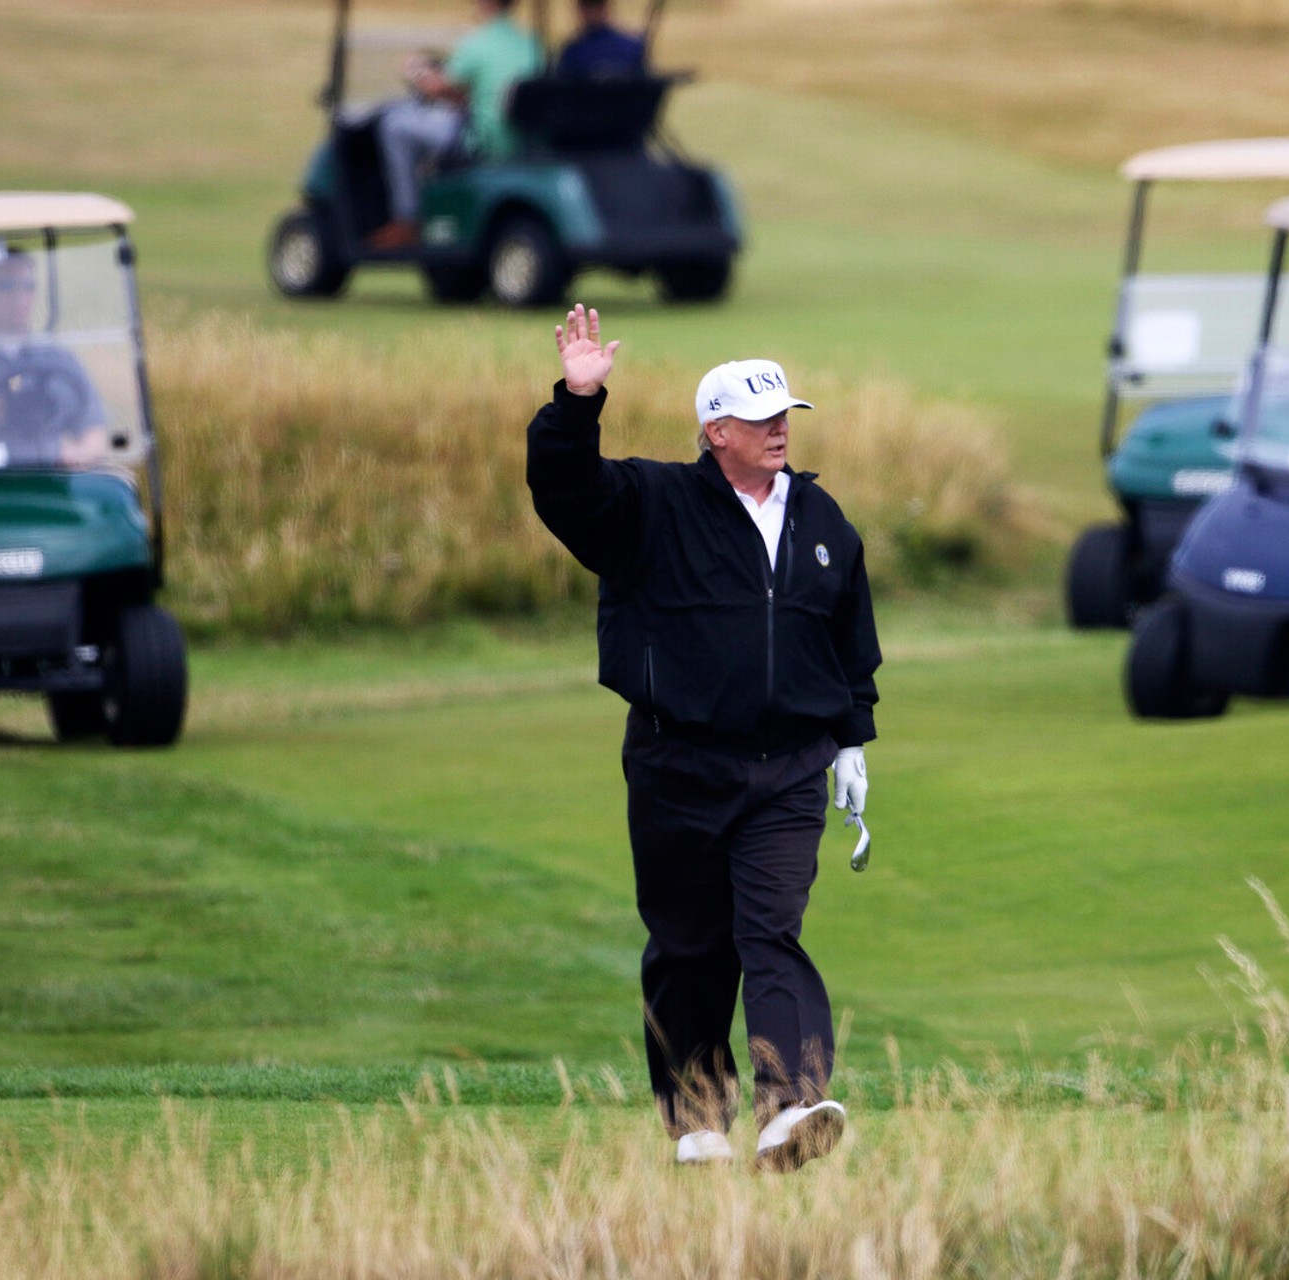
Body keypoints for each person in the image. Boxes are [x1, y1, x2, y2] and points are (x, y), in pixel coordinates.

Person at [526, 304, 881, 1171]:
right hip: (676, 762)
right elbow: (565, 490)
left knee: (772, 933)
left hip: (788, 767)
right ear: (714, 431)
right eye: (759, 421)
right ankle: (696, 1119)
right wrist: (578, 400)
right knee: (690, 946)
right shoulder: (651, 505)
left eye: (784, 418)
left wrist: (852, 740)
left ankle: (790, 1110)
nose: (777, 433)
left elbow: (847, 639)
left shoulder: (822, 521)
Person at [370, 0, 543, 249]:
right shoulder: (531, 44)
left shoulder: (477, 43)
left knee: (395, 127)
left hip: (484, 139)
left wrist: (415, 71)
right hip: (523, 140)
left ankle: (407, 220)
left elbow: (438, 87)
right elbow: (471, 93)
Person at [0, 247, 109, 469]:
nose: (19, 297)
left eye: (27, 287)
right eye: (7, 287)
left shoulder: (58, 359)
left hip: (51, 481)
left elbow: (94, 429)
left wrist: (82, 452)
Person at [556, 0, 646, 79]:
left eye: (596, 5)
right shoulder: (572, 51)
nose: (592, 11)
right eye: (588, 6)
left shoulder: (631, 48)